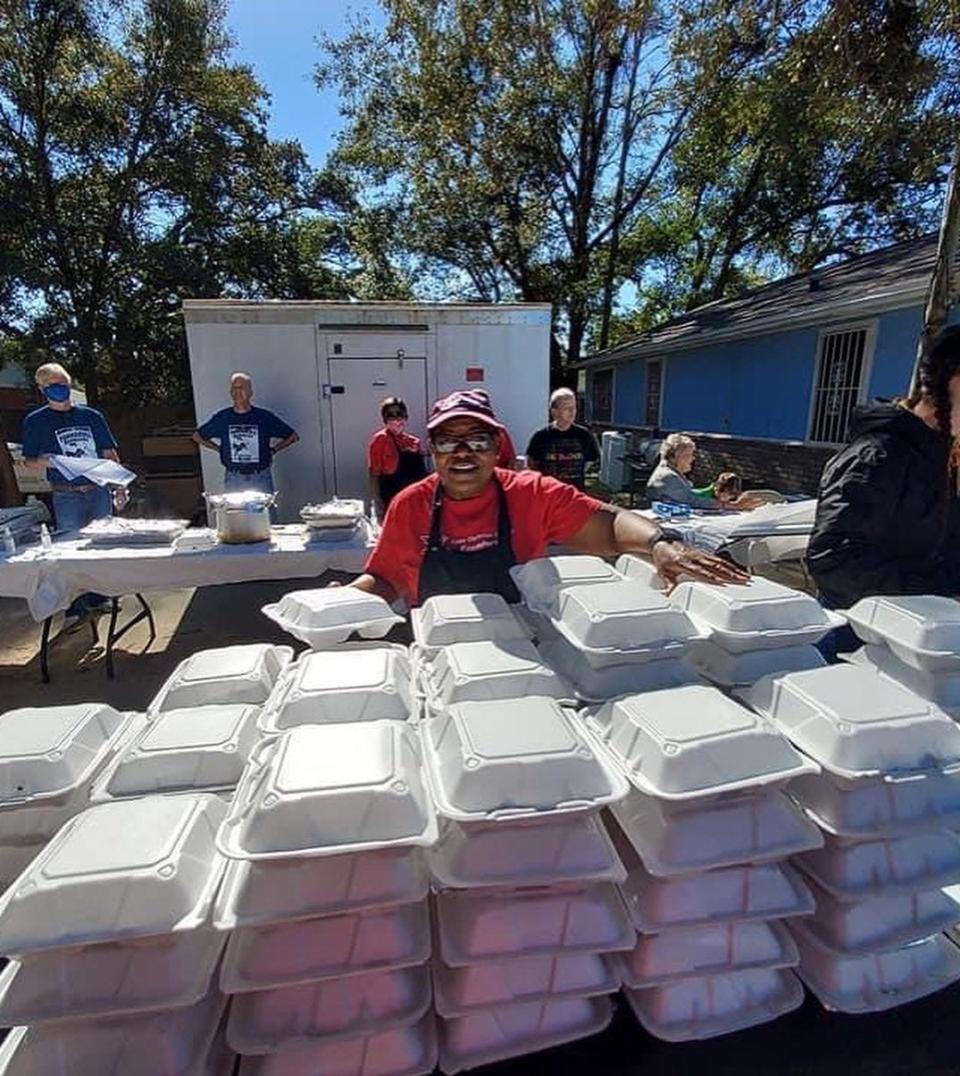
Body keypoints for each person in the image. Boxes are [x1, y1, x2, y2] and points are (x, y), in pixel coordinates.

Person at [346, 390, 747, 608]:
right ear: (433, 448)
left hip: (527, 650)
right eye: (449, 441)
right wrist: (339, 603)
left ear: (498, 445)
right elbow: (385, 578)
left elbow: (609, 525)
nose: (463, 452)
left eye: (478, 439)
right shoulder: (411, 504)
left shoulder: (531, 493)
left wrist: (661, 544)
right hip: (440, 656)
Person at [807, 324, 960, 619]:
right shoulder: (876, 455)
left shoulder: (947, 457)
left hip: (931, 626)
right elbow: (834, 561)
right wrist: (936, 592)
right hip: (862, 630)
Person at [21, 362, 122, 620]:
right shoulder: (36, 421)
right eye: (53, 386)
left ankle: (102, 598)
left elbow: (110, 454)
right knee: (69, 551)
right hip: (66, 494)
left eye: (63, 385)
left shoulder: (91, 417)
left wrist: (119, 484)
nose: (60, 390)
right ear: (43, 389)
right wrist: (52, 461)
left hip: (98, 490)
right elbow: (29, 460)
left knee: (102, 547)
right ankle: (76, 607)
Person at [193, 372, 299, 495]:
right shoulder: (222, 418)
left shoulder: (264, 417)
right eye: (234, 388)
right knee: (236, 514)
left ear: (250, 392)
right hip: (234, 479)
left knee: (264, 514)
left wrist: (274, 450)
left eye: (242, 388)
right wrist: (219, 449)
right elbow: (197, 436)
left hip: (260, 478)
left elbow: (292, 436)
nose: (238, 391)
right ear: (230, 392)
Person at [646, 434, 759, 510]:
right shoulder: (668, 476)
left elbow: (689, 495)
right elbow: (693, 501)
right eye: (689, 455)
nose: (693, 459)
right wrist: (733, 505)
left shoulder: (672, 473)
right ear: (675, 456)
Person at [526, 387, 599, 490]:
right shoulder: (541, 436)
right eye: (566, 408)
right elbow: (532, 464)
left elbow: (591, 460)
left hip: (575, 495)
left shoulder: (584, 435)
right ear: (554, 411)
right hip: (549, 494)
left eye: (573, 407)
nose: (572, 411)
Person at [367, 396, 427, 516]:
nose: (396, 418)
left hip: (415, 499)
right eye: (390, 415)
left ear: (406, 416)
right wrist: (377, 504)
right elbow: (374, 474)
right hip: (392, 499)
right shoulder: (380, 440)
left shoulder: (414, 442)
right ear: (384, 419)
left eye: (399, 413)